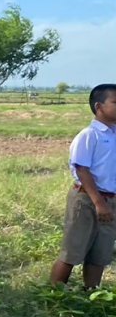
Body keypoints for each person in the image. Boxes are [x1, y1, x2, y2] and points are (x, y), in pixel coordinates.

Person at [50, 83, 116, 290]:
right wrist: (99, 203)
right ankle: (55, 295)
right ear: (99, 106)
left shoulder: (114, 134)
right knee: (72, 251)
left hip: (110, 200)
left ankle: (92, 294)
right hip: (88, 199)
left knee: (100, 253)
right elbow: (82, 170)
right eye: (115, 102)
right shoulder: (89, 135)